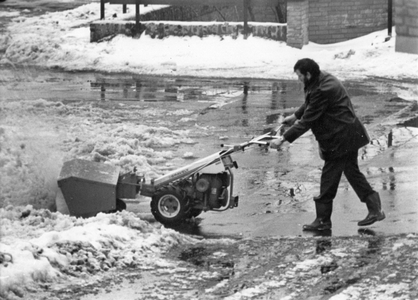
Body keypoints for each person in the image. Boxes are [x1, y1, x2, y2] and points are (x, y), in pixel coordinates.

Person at [271, 58, 385, 231]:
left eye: (300, 76)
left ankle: (323, 221)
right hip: (347, 134)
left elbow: (309, 119)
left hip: (340, 139)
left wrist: (284, 138)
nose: (298, 79)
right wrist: (295, 116)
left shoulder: (323, 89)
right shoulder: (321, 79)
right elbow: (310, 103)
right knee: (352, 172)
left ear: (308, 74)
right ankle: (375, 209)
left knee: (329, 179)